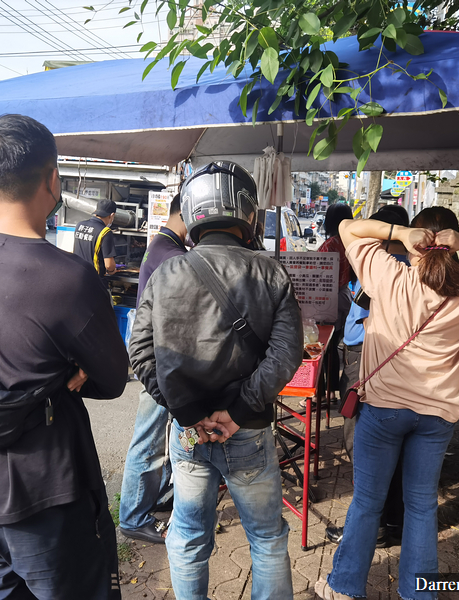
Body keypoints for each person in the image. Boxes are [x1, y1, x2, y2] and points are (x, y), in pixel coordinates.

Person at [0, 114, 129, 600]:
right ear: (53, 179)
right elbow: (112, 378)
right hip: (41, 495)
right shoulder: (68, 277)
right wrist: (73, 372)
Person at [129, 161, 303, 600]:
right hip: (247, 430)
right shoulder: (270, 272)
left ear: (192, 211)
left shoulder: (166, 271)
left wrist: (188, 413)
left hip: (189, 432)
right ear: (248, 212)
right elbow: (286, 355)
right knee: (266, 538)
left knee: (187, 535)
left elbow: (141, 353)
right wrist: (240, 410)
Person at [315, 207, 459, 600]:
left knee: (368, 502)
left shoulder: (390, 275)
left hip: (384, 410)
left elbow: (347, 228)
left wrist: (397, 231)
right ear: (451, 244)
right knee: (421, 508)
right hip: (437, 416)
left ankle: (344, 588)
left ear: (415, 240)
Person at [327, 206, 410, 546]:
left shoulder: (384, 267)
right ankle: (391, 521)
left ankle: (370, 529)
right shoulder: (407, 266)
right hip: (382, 359)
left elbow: (349, 227)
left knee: (361, 441)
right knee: (387, 446)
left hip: (366, 358)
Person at [119, 194, 188, 544]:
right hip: (160, 361)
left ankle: (155, 498)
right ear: (186, 211)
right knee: (148, 441)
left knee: (154, 437)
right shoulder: (173, 255)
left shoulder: (160, 244)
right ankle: (133, 517)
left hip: (156, 356)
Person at [316, 203, 354, 407]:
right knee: (332, 351)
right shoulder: (349, 242)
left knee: (322, 349)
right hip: (343, 298)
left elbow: (317, 274)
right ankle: (330, 392)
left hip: (327, 301)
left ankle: (320, 395)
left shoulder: (330, 243)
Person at [73, 198, 118, 276]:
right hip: (93, 279)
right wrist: (112, 270)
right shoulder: (105, 232)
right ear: (112, 215)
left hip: (77, 274)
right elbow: (109, 265)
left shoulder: (79, 225)